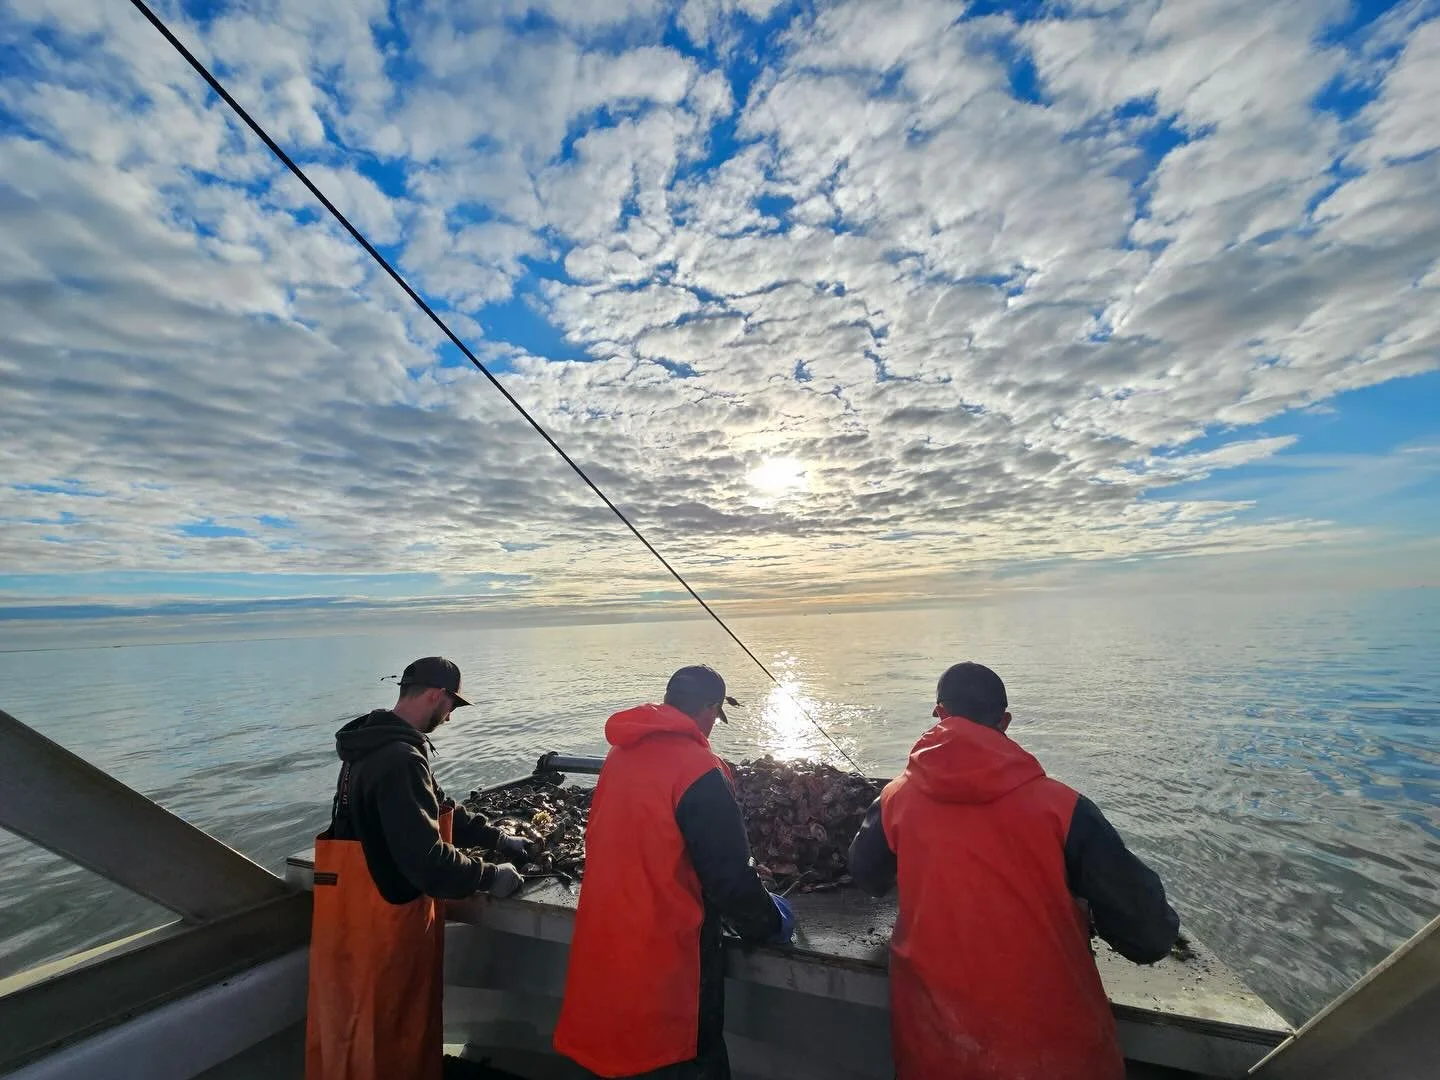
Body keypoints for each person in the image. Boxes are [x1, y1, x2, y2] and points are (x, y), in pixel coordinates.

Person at [848, 662, 1180, 1080]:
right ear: (1004, 720)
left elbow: (867, 876)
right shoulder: (1063, 808)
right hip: (1056, 1059)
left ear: (940, 713)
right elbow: (1149, 936)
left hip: (936, 1052)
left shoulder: (894, 800)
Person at [554, 664, 795, 1080]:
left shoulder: (620, 755)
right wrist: (772, 921)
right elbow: (729, 880)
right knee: (681, 1061)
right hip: (668, 967)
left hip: (606, 942)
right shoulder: (700, 768)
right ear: (710, 710)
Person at [305, 656, 533, 1080]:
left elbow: (440, 806)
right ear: (435, 695)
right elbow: (428, 863)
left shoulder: (371, 743)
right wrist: (490, 875)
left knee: (354, 1032)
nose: (449, 717)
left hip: (350, 918)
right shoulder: (400, 759)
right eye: (451, 706)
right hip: (387, 921)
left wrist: (497, 838)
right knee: (390, 1032)